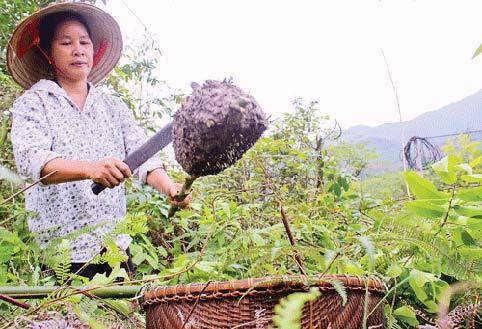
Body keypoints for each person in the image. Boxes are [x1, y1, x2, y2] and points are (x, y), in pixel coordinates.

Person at [7, 2, 190, 280]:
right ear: (48, 52)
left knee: (122, 316)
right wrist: (91, 169)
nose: (78, 49)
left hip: (114, 244)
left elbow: (143, 156)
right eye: (66, 42)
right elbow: (33, 162)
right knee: (68, 319)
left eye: (84, 42)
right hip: (62, 251)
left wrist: (169, 188)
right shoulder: (34, 103)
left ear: (95, 49)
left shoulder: (113, 106)